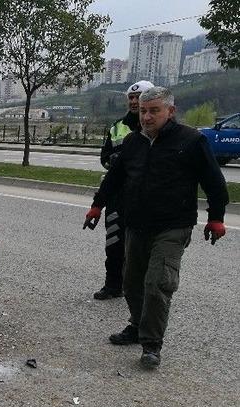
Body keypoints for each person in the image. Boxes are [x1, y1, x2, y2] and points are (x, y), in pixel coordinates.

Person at [84, 86, 229, 369]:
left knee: (157, 284)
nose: (147, 117)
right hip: (136, 224)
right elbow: (114, 178)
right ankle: (137, 326)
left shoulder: (191, 141)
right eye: (143, 111)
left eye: (154, 111)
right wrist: (96, 205)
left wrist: (216, 217)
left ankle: (151, 345)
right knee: (131, 283)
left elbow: (214, 183)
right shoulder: (133, 143)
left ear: (170, 111)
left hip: (173, 226)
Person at [92, 80, 154, 300]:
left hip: (146, 199)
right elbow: (105, 157)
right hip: (118, 196)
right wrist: (117, 162)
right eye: (131, 98)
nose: (134, 102)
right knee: (114, 243)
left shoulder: (155, 126)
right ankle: (113, 285)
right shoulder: (118, 126)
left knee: (143, 247)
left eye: (139, 97)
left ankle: (142, 288)